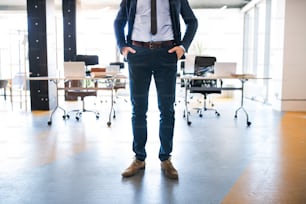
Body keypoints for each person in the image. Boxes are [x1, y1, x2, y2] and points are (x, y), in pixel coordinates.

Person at [114, 0, 198, 179]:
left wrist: (183, 47)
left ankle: (166, 158)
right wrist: (123, 47)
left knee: (167, 109)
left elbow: (192, 21)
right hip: (138, 53)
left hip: (167, 54)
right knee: (138, 109)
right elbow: (118, 21)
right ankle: (139, 158)